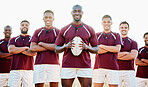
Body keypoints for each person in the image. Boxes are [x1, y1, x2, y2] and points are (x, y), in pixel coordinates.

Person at [55, 5, 98, 87]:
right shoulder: (64, 29)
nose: (77, 13)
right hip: (68, 64)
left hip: (84, 65)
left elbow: (96, 49)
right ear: (71, 13)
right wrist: (65, 46)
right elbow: (56, 48)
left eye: (79, 11)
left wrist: (87, 47)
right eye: (75, 11)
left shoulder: (89, 29)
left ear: (82, 13)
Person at [29, 10, 60, 87]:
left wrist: (42, 44)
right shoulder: (38, 31)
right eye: (46, 17)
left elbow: (57, 47)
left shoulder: (58, 31)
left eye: (50, 17)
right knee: (38, 85)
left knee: (54, 85)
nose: (48, 19)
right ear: (43, 18)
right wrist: (51, 47)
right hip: (39, 63)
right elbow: (32, 48)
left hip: (54, 63)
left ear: (53, 18)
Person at [93, 15, 122, 87]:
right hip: (98, 67)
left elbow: (117, 49)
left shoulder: (116, 35)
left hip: (113, 67)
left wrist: (102, 46)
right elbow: (96, 51)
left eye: (108, 22)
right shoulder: (97, 35)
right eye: (104, 22)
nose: (106, 24)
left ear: (111, 23)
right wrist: (111, 49)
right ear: (102, 23)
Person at [8, 20, 36, 87]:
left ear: (29, 27)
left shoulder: (32, 39)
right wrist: (26, 48)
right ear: (20, 27)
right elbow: (11, 50)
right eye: (22, 25)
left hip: (29, 70)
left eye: (26, 25)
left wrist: (17, 49)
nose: (24, 26)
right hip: (15, 69)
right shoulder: (13, 39)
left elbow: (33, 53)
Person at [117, 21, 138, 87]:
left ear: (128, 29)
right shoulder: (115, 41)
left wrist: (117, 55)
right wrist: (126, 53)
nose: (124, 29)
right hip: (116, 71)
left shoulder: (133, 42)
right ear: (119, 28)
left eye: (125, 27)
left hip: (129, 71)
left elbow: (133, 55)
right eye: (122, 27)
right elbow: (111, 55)